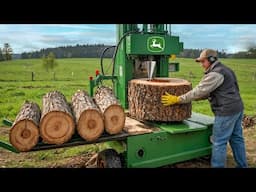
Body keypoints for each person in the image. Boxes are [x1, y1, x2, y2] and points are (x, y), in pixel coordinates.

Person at [161, 49, 248, 168]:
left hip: (226, 112)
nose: (201, 64)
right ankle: (242, 166)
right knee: (237, 139)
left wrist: (178, 99)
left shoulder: (215, 74)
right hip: (237, 108)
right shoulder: (226, 70)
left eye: (203, 61)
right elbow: (215, 91)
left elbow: (199, 91)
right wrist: (195, 98)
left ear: (211, 60)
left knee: (218, 142)